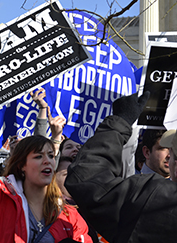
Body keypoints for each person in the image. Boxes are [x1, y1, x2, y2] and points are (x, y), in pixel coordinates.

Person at [0, 78, 92, 243]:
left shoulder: (69, 216)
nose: (47, 161)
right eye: (38, 156)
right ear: (21, 166)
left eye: (51, 155)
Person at [64, 91, 177, 242]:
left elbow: (87, 178)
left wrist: (119, 123)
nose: (168, 157)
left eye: (172, 153)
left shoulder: (158, 197)